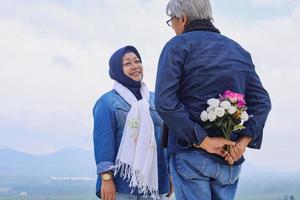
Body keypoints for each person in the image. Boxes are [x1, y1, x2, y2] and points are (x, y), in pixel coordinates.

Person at [154, 0, 272, 200]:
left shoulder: (177, 46)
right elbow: (262, 102)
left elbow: (165, 102)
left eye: (171, 21)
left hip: (191, 157)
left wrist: (204, 140)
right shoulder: (238, 50)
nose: (173, 27)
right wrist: (242, 142)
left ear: (182, 18)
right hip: (230, 158)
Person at [93, 45, 171, 200]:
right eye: (127, 63)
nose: (135, 66)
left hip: (154, 180)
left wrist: (170, 174)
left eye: (137, 61)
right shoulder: (107, 102)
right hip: (122, 184)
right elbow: (103, 141)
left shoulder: (156, 100)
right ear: (117, 69)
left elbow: (166, 139)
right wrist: (106, 178)